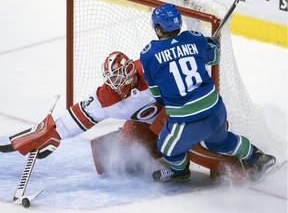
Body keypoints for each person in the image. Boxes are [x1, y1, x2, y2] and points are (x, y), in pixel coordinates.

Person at [0, 51, 257, 181]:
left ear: (132, 70)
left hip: (179, 115)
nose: (117, 83)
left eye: (121, 75)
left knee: (174, 136)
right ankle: (175, 161)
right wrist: (51, 132)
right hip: (148, 123)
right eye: (112, 79)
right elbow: (76, 117)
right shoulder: (106, 97)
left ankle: (230, 166)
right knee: (119, 157)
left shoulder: (152, 70)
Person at [140, 3, 276, 183]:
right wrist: (210, 44)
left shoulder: (148, 55)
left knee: (165, 146)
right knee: (220, 142)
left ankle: (180, 172)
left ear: (158, 28)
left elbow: (157, 94)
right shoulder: (195, 39)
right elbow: (214, 57)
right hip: (216, 110)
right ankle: (259, 157)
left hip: (187, 121)